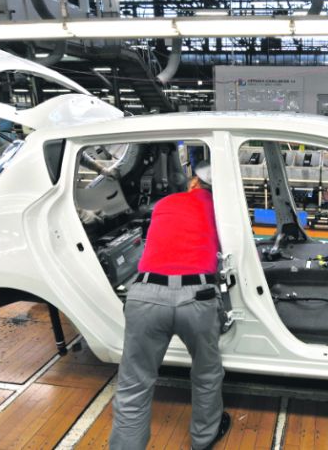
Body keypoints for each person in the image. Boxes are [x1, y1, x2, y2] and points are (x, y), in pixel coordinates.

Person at [109, 160, 231, 450]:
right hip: (197, 297)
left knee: (134, 385)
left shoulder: (166, 203)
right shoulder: (224, 211)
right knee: (206, 374)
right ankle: (204, 438)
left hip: (146, 295)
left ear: (193, 183)